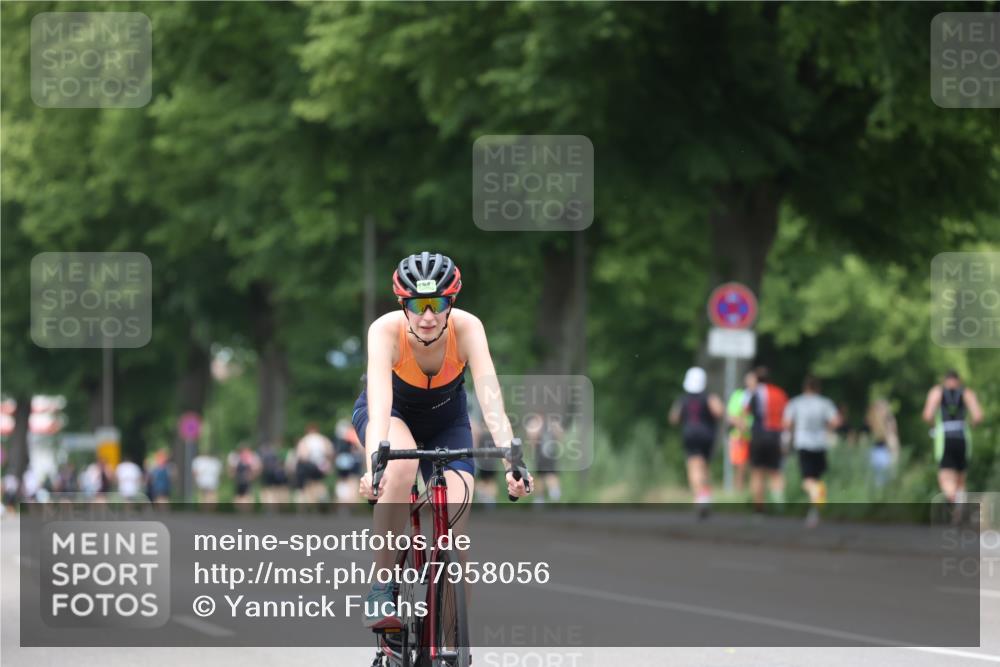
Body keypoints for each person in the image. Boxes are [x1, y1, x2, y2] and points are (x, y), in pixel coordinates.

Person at [353, 252, 532, 628]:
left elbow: (491, 399)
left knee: (457, 512)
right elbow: (381, 407)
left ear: (452, 303)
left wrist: (512, 464)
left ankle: (451, 638)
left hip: (447, 420)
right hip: (392, 416)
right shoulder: (384, 331)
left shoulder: (468, 329)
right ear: (404, 304)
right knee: (399, 470)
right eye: (418, 305)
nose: (429, 315)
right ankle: (382, 585)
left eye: (439, 303)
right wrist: (375, 465)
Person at [783, 376, 840, 528]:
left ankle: (816, 499)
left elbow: (787, 423)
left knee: (808, 480)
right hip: (820, 443)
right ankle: (814, 511)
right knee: (817, 477)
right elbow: (835, 421)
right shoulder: (825, 403)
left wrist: (789, 437)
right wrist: (827, 430)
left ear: (805, 388)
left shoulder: (796, 402)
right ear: (818, 388)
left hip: (803, 443)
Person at [922, 370, 984, 506]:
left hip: (945, 439)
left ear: (945, 380)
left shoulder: (937, 392)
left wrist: (934, 427)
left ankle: (954, 501)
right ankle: (960, 509)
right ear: (958, 380)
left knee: (945, 478)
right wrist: (970, 425)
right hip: (962, 437)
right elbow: (978, 416)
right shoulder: (966, 393)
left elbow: (927, 415)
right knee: (961, 479)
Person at [669, 367, 724, 518]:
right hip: (708, 435)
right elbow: (719, 411)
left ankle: (700, 498)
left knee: (694, 467)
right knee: (705, 467)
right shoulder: (708, 397)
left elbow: (673, 418)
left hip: (690, 435)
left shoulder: (683, 399)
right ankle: (705, 495)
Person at [745, 366, 789, 513]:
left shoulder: (754, 393)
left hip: (758, 435)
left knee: (757, 472)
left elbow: (746, 412)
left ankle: (759, 508)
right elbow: (786, 416)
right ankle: (779, 504)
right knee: (776, 472)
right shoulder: (780, 393)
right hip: (775, 435)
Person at [725, 372, 756, 494]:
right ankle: (739, 492)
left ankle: (751, 493)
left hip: (755, 435)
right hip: (739, 436)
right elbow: (730, 416)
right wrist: (742, 425)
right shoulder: (739, 395)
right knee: (740, 466)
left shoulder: (759, 395)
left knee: (754, 468)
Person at [522, 413, 564, 504]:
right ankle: (544, 499)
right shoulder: (549, 425)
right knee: (543, 477)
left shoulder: (544, 425)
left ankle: (549, 498)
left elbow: (531, 440)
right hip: (544, 455)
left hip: (546, 455)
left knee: (548, 476)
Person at [294, 424, 334, 503]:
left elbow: (302, 455)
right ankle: (320, 500)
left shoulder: (305, 439)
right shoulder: (323, 439)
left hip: (307, 465)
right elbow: (330, 452)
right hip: (320, 465)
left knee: (306, 487)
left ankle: (309, 504)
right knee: (318, 484)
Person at [866, 398, 899, 488]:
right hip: (881, 451)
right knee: (882, 480)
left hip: (884, 450)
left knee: (884, 479)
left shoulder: (887, 420)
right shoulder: (876, 420)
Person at [333, 419, 364, 504]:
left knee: (341, 481)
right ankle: (352, 502)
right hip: (350, 460)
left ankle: (340, 502)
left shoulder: (338, 437)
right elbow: (359, 446)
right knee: (353, 481)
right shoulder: (351, 434)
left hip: (340, 460)